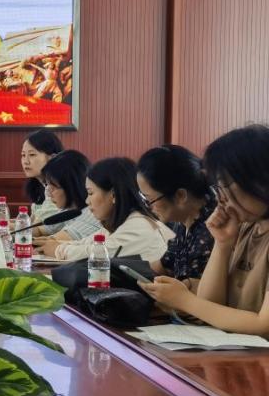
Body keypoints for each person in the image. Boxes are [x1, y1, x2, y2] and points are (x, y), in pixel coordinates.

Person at [142, 125, 269, 333]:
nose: (220, 198)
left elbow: (263, 324)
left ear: (258, 179)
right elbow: (211, 303)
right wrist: (222, 244)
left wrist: (185, 301)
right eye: (217, 188)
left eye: (224, 187)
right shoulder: (247, 227)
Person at [46, 157, 173, 261]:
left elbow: (95, 254)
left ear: (114, 195)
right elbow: (85, 243)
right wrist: (55, 245)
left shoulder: (138, 225)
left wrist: (57, 249)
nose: (87, 201)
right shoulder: (118, 223)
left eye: (90, 193)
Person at [136, 144, 216, 288]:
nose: (149, 207)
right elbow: (165, 265)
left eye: (150, 200)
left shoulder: (212, 228)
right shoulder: (183, 221)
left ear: (180, 195)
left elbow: (199, 292)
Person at [0, 130, 63, 229]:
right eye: (23, 155)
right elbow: (31, 223)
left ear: (52, 157)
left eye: (32, 155)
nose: (25, 161)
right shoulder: (41, 186)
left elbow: (37, 230)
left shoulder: (59, 189)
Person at [35, 150, 102, 250]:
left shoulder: (92, 213)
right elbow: (41, 230)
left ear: (72, 187)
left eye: (54, 187)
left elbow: (49, 243)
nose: (49, 193)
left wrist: (19, 237)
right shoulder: (70, 210)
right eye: (47, 185)